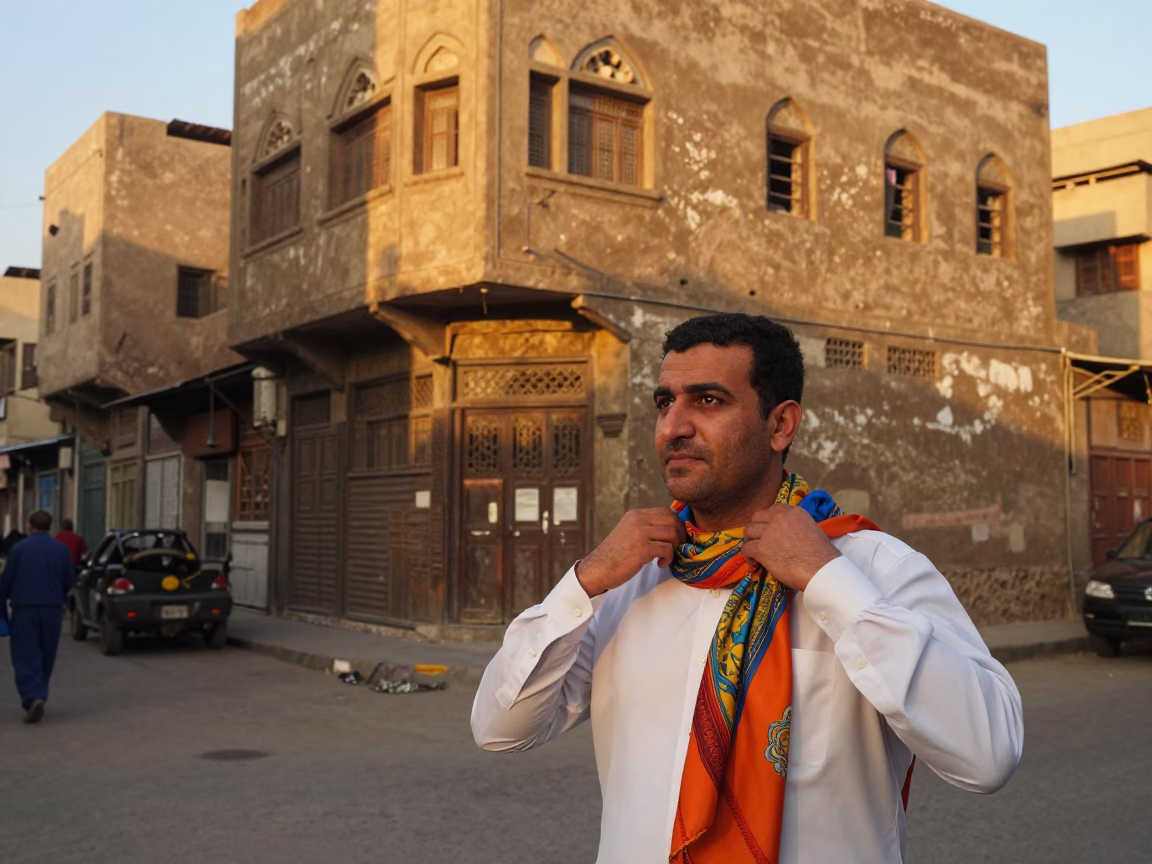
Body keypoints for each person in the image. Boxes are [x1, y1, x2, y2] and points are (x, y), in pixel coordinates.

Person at [471, 313, 1023, 864]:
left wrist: (829, 581)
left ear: (781, 425)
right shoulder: (630, 580)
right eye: (665, 403)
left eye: (707, 400)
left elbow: (989, 754)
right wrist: (583, 581)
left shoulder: (872, 568)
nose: (673, 427)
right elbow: (501, 729)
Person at [0, 510, 76, 724]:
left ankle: (33, 696)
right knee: (46, 654)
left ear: (29, 525)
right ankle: (40, 693)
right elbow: (69, 580)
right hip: (52, 610)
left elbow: (5, 582)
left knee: (25, 655)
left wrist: (2, 612)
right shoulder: (61, 550)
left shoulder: (19, 549)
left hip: (25, 609)